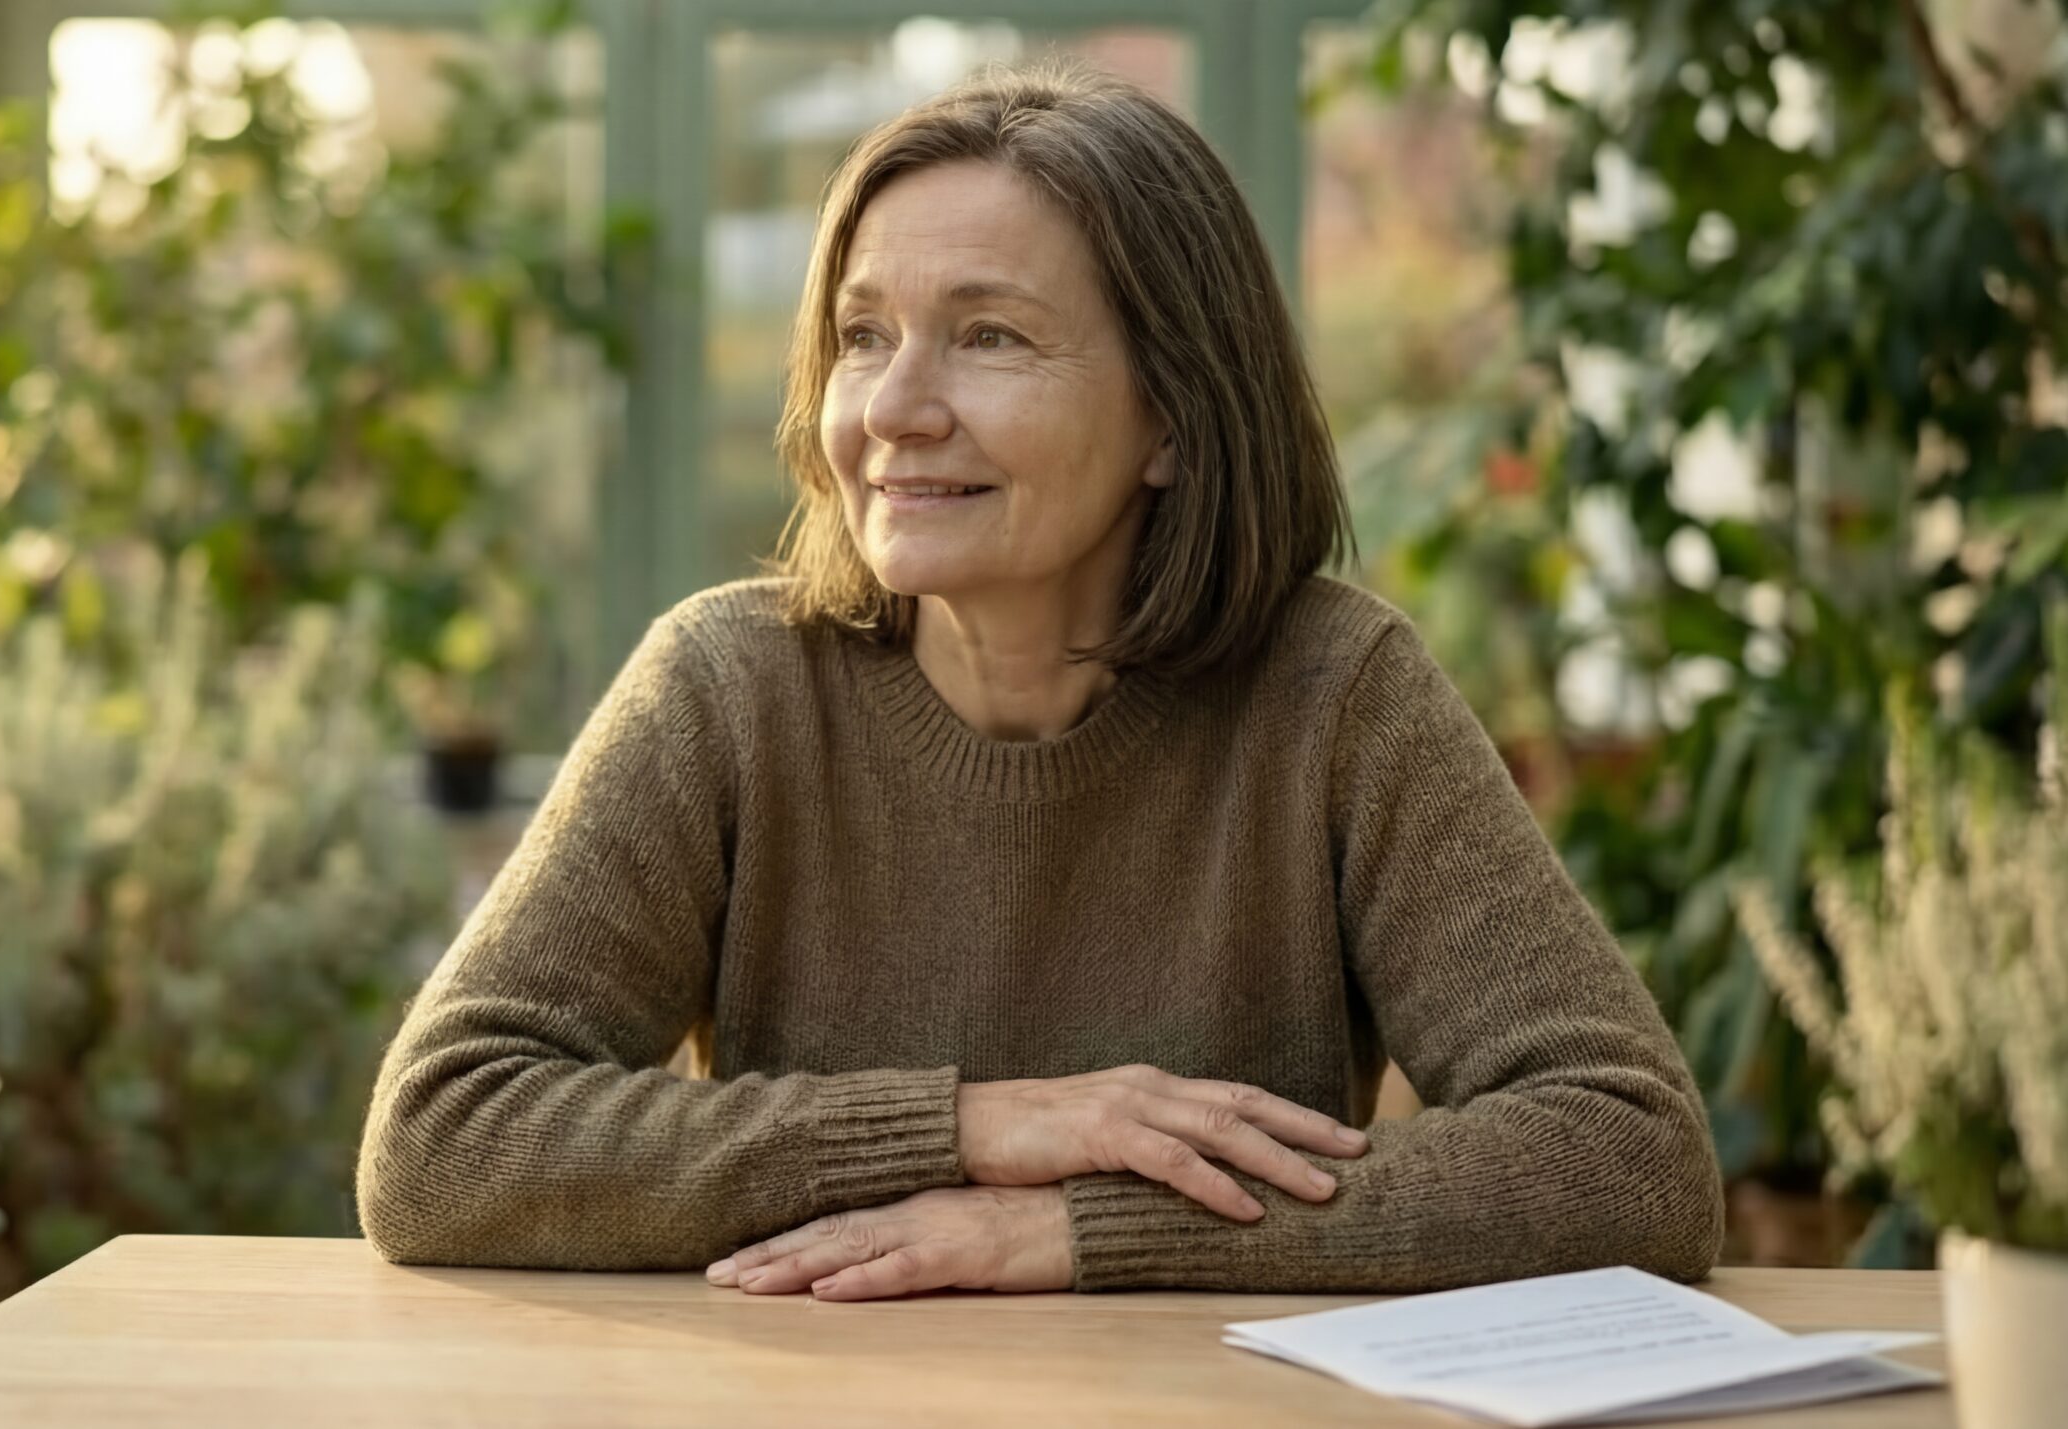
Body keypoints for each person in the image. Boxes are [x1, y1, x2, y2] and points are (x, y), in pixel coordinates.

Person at [355, 60, 1724, 1299]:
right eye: (863, 335)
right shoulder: (727, 688)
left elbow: (1628, 1155)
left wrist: (1075, 1226)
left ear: (1174, 417)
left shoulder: (1336, 695)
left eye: (990, 337)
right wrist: (969, 1126)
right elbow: (442, 1138)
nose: (894, 409)